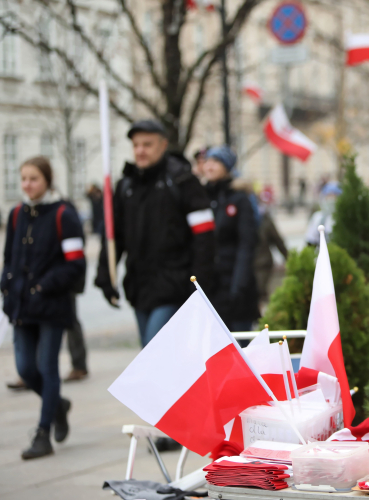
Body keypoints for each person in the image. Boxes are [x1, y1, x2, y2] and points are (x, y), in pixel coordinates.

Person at [95, 119, 215, 347]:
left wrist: (199, 285)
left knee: (153, 350)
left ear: (162, 145)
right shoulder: (126, 186)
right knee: (153, 359)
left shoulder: (182, 181)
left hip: (176, 287)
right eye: (136, 145)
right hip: (139, 287)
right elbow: (113, 236)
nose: (140, 151)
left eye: (147, 144)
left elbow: (205, 239)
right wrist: (106, 276)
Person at [1, 156, 85, 459]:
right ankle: (58, 405)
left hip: (51, 305)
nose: (27, 184)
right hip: (21, 306)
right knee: (25, 368)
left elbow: (76, 265)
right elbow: (9, 258)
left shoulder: (64, 214)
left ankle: (43, 433)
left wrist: (43, 286)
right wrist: (7, 286)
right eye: (23, 178)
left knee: (47, 368)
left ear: (47, 180)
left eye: (33, 178)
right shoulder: (15, 215)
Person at [201, 146, 260, 332]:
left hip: (236, 288)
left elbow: (247, 244)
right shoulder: (200, 197)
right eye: (207, 161)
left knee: (239, 347)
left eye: (216, 162)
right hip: (209, 288)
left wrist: (239, 286)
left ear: (227, 167)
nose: (209, 166)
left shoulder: (239, 199)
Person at [255, 190, 288, 304]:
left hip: (261, 263)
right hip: (254, 263)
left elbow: (277, 240)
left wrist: (288, 259)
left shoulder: (264, 219)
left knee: (260, 295)